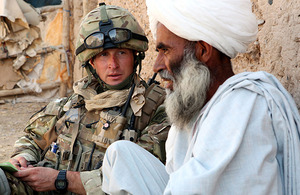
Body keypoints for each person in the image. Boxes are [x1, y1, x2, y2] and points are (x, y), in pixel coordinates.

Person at [101, 0, 300, 194]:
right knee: (120, 156)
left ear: (203, 50)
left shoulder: (241, 105)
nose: (157, 66)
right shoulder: (196, 113)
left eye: (165, 51)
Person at [0, 3, 170, 194]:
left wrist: (59, 180)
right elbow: (32, 139)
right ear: (92, 62)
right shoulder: (73, 103)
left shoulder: (156, 110)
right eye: (104, 55)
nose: (112, 65)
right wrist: (23, 158)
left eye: (121, 53)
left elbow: (136, 180)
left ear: (135, 57)